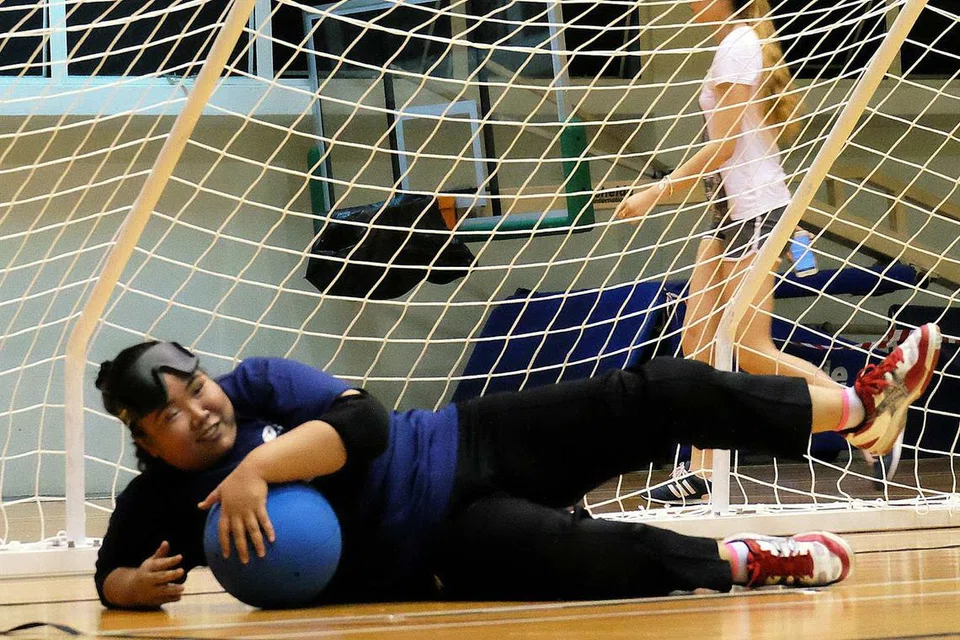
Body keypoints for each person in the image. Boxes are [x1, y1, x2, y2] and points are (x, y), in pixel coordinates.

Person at [91, 322, 941, 609]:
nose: (202, 410)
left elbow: (367, 423)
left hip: (466, 443)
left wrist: (257, 473)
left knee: (653, 391)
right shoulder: (161, 497)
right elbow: (109, 571)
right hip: (439, 552)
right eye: (172, 411)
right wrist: (129, 590)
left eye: (197, 386)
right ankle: (752, 564)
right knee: (596, 560)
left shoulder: (262, 384)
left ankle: (857, 410)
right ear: (142, 435)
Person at [613, 0, 892, 499]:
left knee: (750, 347)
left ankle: (867, 408)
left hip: (758, 210)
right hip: (724, 214)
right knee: (698, 343)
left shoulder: (738, 45)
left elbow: (722, 148)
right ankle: (698, 471)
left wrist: (656, 192)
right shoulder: (734, 45)